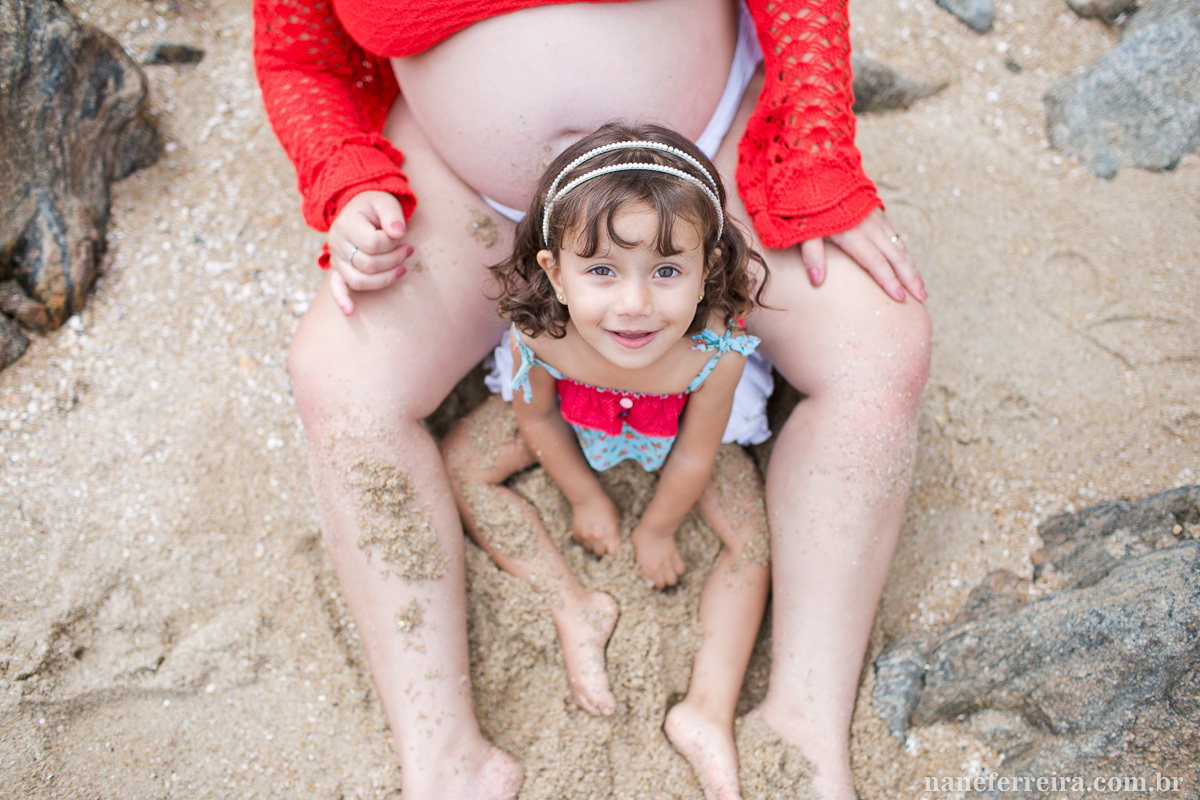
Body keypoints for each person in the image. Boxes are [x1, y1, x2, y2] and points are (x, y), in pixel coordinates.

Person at [253, 1, 932, 799]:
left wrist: (817, 151)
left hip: (696, 173)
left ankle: (804, 724)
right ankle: (444, 759)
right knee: (340, 379)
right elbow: (302, 57)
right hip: (465, 191)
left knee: (879, 345)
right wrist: (348, 178)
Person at [441, 123, 772, 799]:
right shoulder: (540, 331)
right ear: (554, 273)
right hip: (573, 419)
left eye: (667, 271)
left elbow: (698, 453)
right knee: (460, 464)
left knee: (752, 546)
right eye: (601, 270)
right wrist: (584, 497)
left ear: (707, 269)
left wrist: (654, 528)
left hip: (672, 440)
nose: (633, 305)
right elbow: (533, 418)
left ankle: (706, 709)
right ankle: (571, 603)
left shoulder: (716, 352)